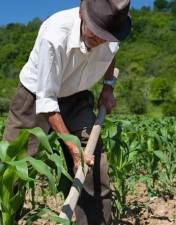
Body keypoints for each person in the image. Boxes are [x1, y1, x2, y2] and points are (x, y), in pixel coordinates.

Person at [3, 0, 131, 224]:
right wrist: (73, 149)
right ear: (83, 14)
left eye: (105, 36)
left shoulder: (112, 33)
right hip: (35, 97)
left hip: (78, 96)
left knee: (93, 167)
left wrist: (108, 87)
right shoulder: (54, 35)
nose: (100, 39)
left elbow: (111, 55)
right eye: (95, 31)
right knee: (13, 168)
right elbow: (47, 101)